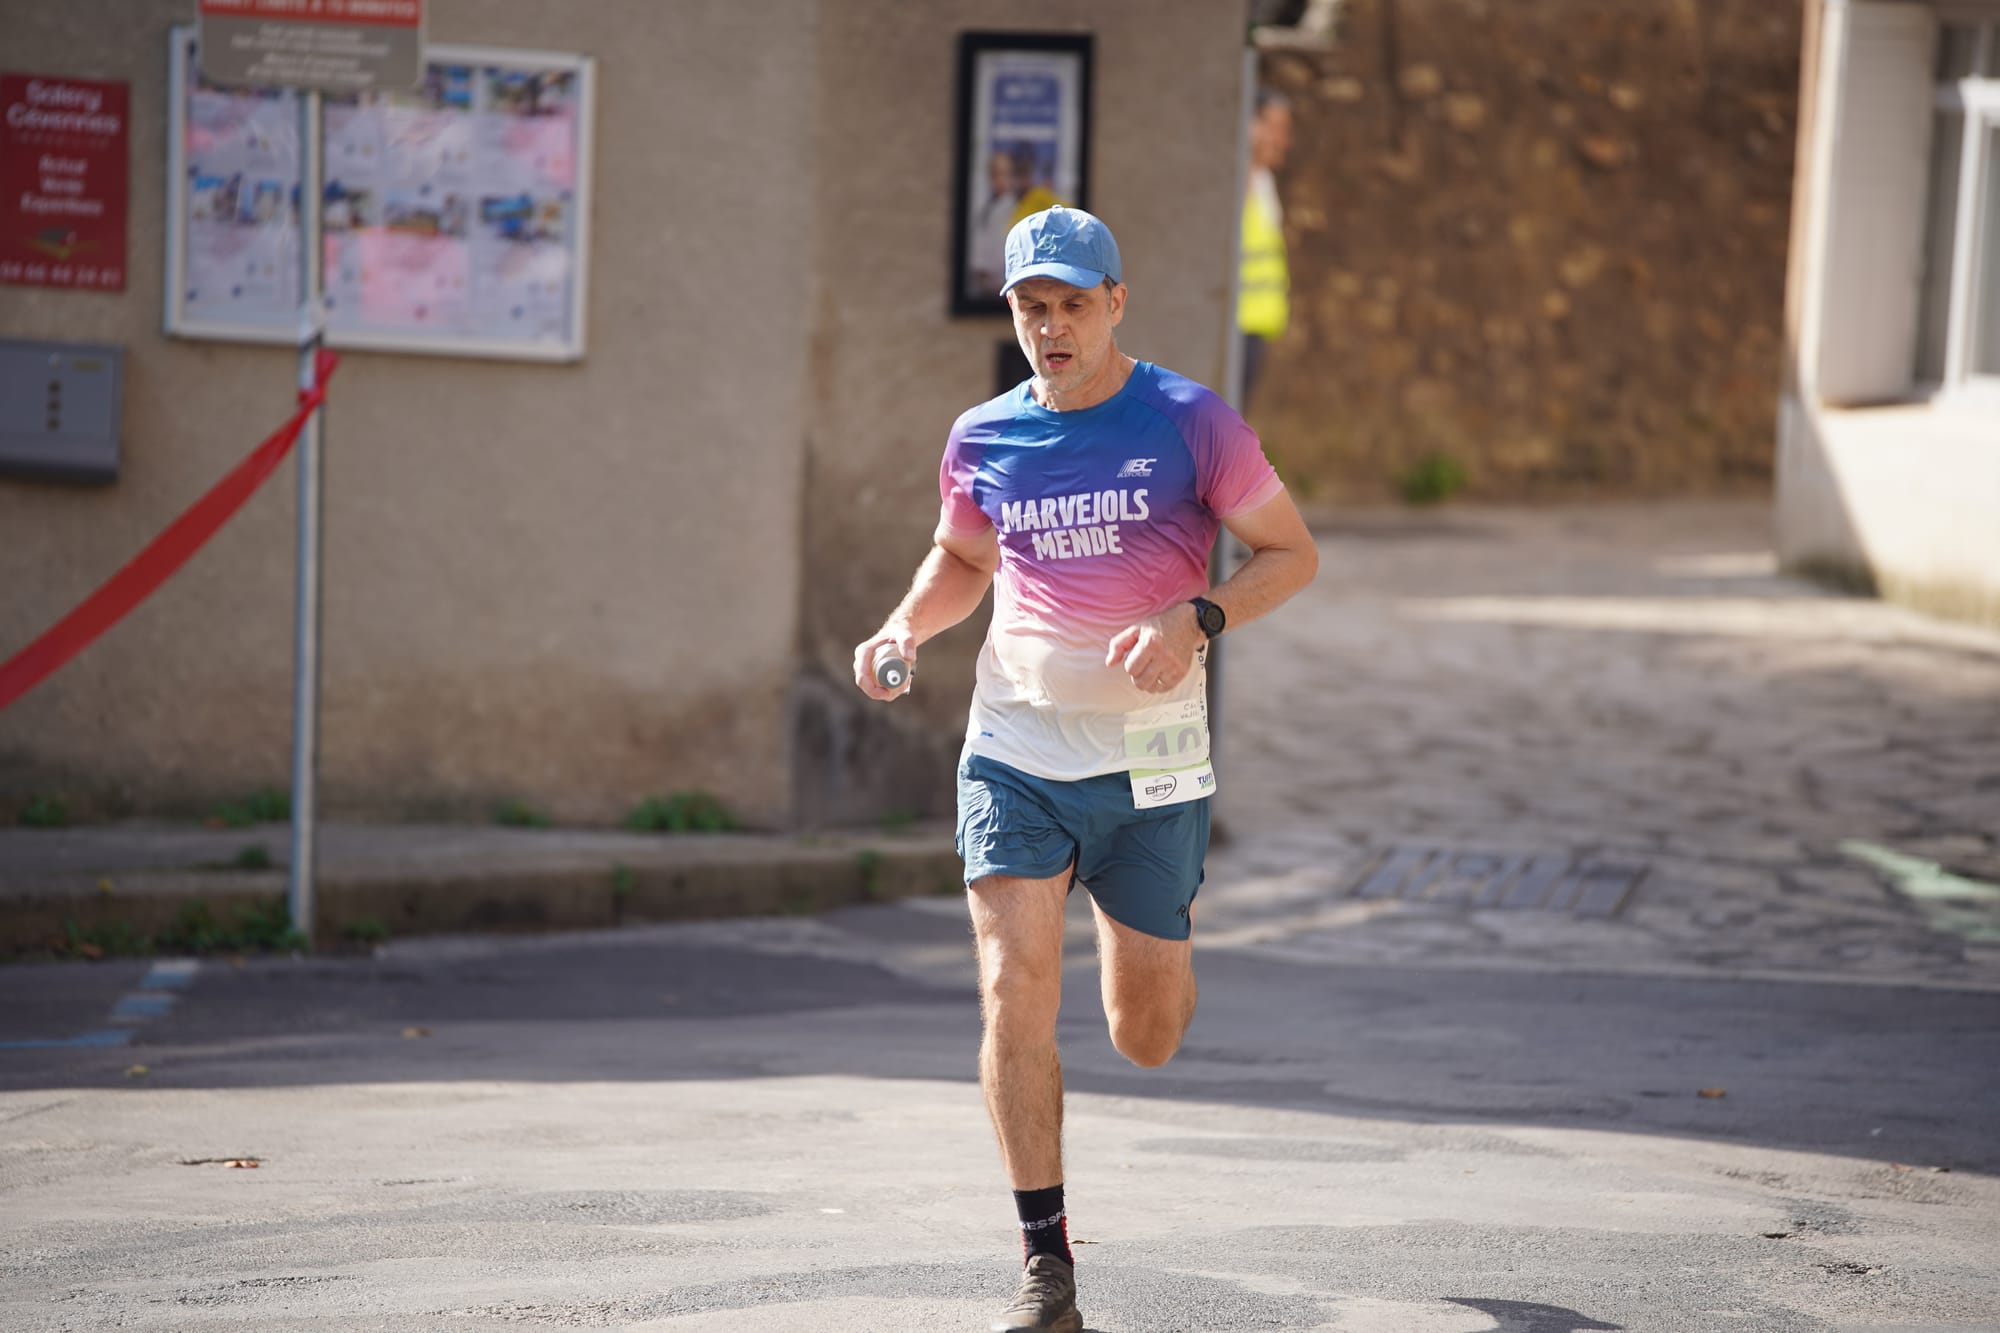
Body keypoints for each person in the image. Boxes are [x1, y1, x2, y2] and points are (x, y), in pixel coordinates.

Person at [851, 206, 1317, 1333]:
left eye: (1069, 304)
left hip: (1154, 757)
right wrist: (907, 628)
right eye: (1029, 307)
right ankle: (1044, 1269)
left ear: (1114, 303)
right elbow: (961, 557)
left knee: (1142, 1030)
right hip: (1014, 750)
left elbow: (1290, 552)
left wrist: (1195, 615)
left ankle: (1156, 938)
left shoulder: (1187, 421)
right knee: (1014, 985)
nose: (1050, 327)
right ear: (1011, 314)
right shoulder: (984, 436)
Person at [1238, 88, 1294, 412]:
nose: (1284, 140)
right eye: (1277, 128)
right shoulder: (1239, 182)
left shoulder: (1264, 181)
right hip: (1234, 324)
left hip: (1254, 325)